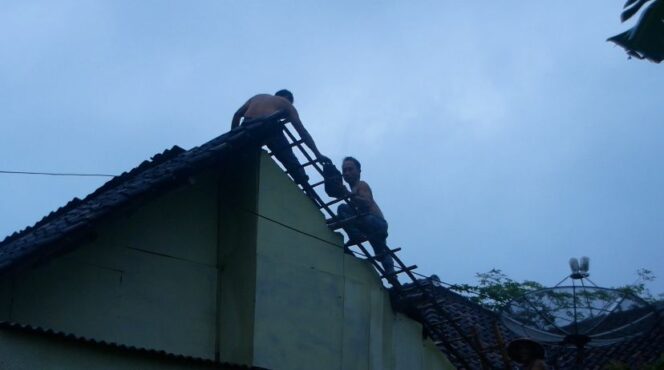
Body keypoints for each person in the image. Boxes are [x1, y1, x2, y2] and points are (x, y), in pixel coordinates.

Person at [231, 90, 325, 187]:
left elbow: (237, 115)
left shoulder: (258, 96)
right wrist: (317, 154)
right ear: (288, 98)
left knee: (245, 152)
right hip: (268, 124)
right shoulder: (286, 103)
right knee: (288, 155)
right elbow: (302, 132)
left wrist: (235, 135)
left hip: (247, 126)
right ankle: (303, 181)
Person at [336, 156, 395, 279]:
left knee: (342, 208)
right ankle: (392, 276)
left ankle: (355, 235)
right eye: (344, 171)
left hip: (374, 222)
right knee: (380, 252)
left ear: (358, 171)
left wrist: (348, 195)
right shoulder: (353, 189)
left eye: (350, 169)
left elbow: (366, 202)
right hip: (370, 224)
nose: (347, 173)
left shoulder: (361, 185)